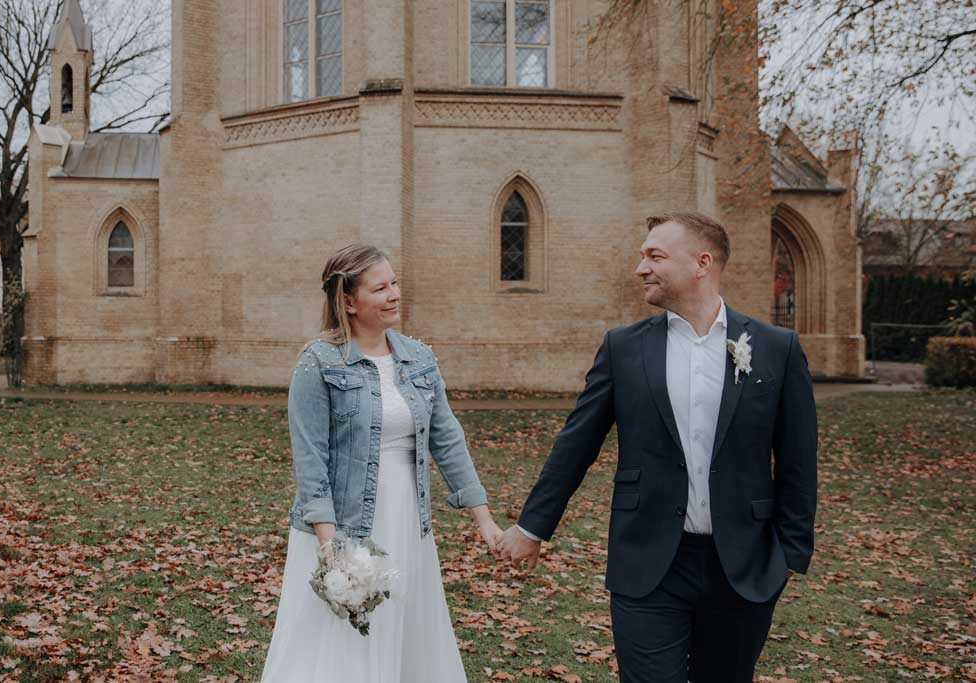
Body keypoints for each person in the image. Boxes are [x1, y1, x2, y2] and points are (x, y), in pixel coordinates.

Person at [496, 212, 818, 683]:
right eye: (642, 256)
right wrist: (533, 527)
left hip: (744, 565)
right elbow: (576, 443)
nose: (640, 267)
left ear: (701, 263)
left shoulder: (775, 348)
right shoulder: (623, 348)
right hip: (648, 560)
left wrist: (788, 554)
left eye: (654, 256)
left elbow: (798, 461)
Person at [261, 243, 502, 682]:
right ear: (348, 301)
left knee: (402, 632)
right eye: (380, 288)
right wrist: (331, 548)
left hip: (407, 521)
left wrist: (483, 519)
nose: (394, 294)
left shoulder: (418, 358)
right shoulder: (319, 362)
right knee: (337, 644)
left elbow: (447, 439)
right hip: (342, 526)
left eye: (395, 283)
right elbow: (311, 458)